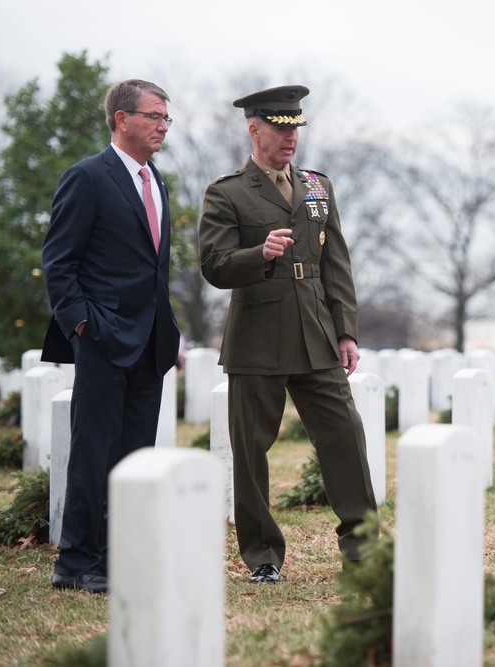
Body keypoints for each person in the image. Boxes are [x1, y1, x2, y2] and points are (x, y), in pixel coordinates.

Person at [199, 85, 377, 583]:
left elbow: (336, 264)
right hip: (257, 337)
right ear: (254, 130)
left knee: (346, 436)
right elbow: (213, 266)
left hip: (317, 332)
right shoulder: (226, 192)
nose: (290, 138)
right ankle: (262, 556)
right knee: (251, 451)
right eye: (280, 129)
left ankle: (364, 552)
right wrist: (261, 254)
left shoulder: (318, 186)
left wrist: (346, 331)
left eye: (295, 128)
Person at [41, 79, 180, 593]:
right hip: (101, 337)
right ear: (122, 119)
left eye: (167, 118)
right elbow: (59, 262)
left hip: (150, 340)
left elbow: (154, 266)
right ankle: (75, 563)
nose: (163, 126)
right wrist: (82, 324)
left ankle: (119, 557)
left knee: (135, 455)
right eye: (154, 116)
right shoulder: (88, 177)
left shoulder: (156, 180)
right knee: (94, 451)